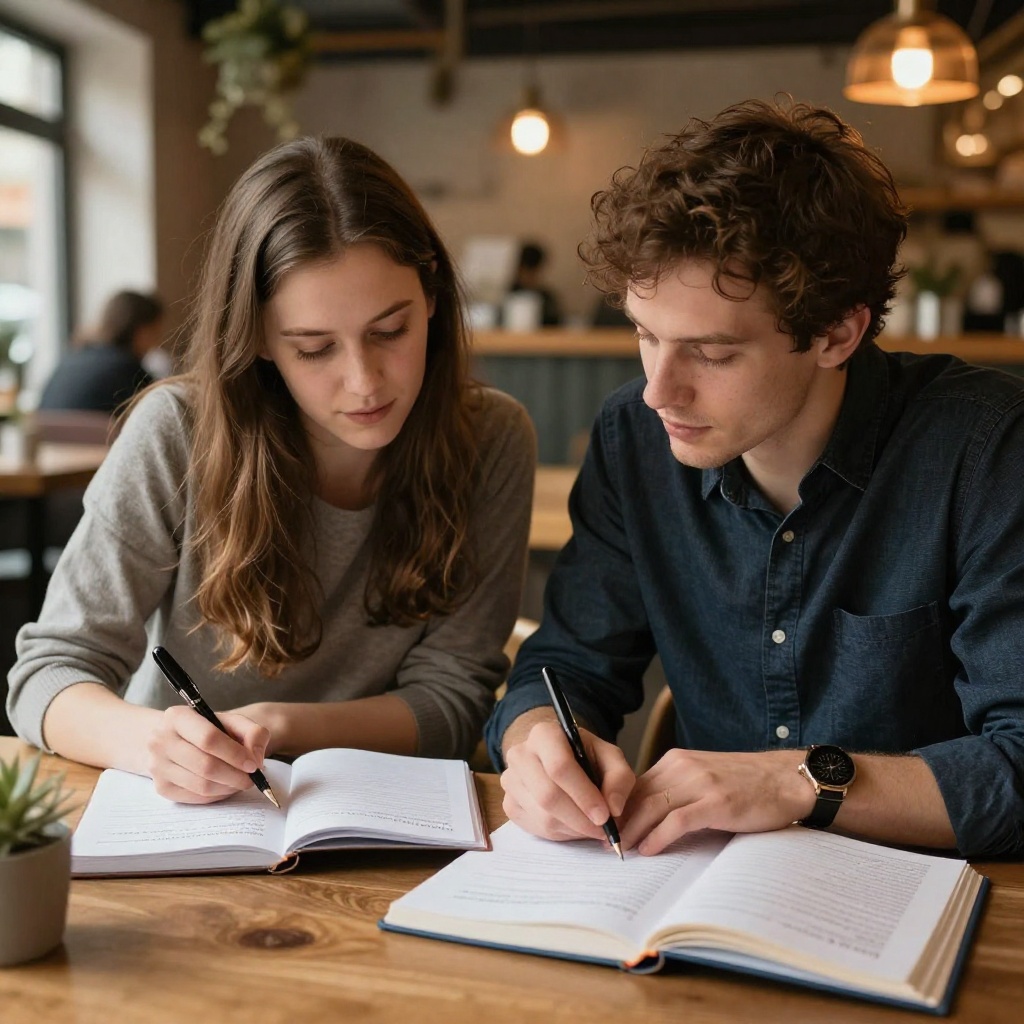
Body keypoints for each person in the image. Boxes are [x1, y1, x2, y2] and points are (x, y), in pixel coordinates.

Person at [485, 98, 1024, 860]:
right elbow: (567, 665)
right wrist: (537, 738)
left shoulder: (985, 449)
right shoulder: (634, 439)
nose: (658, 391)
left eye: (711, 353)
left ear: (837, 332)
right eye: (645, 334)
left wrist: (793, 782)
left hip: (937, 903)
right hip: (700, 902)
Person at [7, 135, 535, 804]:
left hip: (390, 818)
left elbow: (454, 702)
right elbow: (49, 674)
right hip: (185, 812)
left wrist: (281, 727)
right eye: (314, 348)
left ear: (431, 296)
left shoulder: (491, 439)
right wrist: (152, 746)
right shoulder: (179, 431)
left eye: (390, 331)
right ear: (256, 338)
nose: (364, 381)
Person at [38, 290, 164, 413]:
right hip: (100, 434)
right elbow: (158, 412)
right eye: (155, 332)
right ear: (141, 331)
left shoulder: (71, 358)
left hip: (48, 434)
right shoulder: (127, 368)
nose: (157, 342)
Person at [503, 241, 562, 327]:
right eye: (526, 271)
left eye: (533, 272)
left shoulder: (547, 299)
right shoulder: (508, 297)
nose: (529, 277)